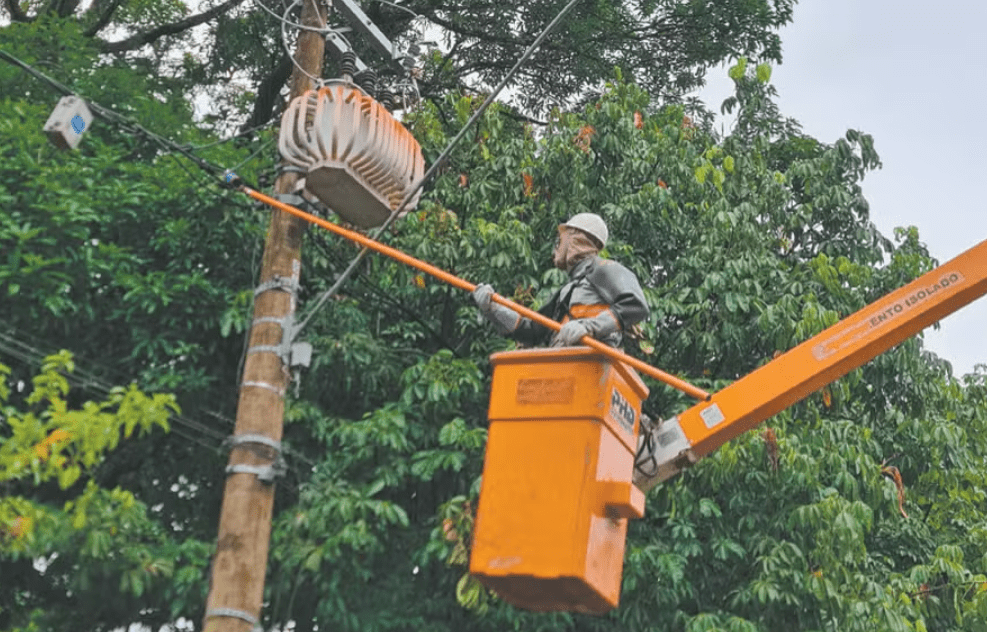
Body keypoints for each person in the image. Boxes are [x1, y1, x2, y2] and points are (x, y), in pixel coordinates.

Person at [472, 213, 649, 348]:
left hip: (593, 364)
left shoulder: (603, 268)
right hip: (562, 365)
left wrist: (590, 327)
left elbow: (635, 306)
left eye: (560, 240)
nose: (555, 248)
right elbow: (532, 331)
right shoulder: (568, 290)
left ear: (575, 238)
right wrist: (494, 308)